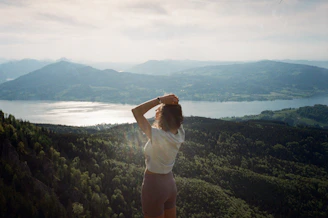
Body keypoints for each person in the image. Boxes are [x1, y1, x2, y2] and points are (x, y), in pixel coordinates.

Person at [132, 94, 185, 218]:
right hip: (170, 185)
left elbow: (137, 112)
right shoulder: (180, 134)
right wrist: (168, 106)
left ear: (162, 116)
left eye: (159, 110)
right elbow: (175, 117)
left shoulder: (157, 135)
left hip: (154, 186)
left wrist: (160, 100)